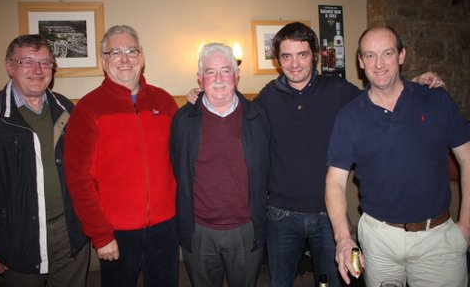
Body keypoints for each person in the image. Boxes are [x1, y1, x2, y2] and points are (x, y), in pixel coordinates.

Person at [186, 22, 444, 287]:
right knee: (280, 282)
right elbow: (229, 102)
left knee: (330, 281)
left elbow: (379, 96)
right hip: (279, 216)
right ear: (278, 61)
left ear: (315, 56)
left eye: (302, 54)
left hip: (327, 215)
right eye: (286, 56)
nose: (294, 64)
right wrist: (201, 93)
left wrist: (412, 83)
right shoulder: (266, 98)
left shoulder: (340, 91)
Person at [325, 26, 470, 286]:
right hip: (378, 240)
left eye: (387, 53)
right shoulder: (349, 116)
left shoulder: (435, 100)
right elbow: (334, 181)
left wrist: (466, 225)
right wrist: (344, 238)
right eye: (370, 55)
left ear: (401, 55)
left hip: (437, 239)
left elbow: (467, 158)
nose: (379, 64)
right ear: (360, 62)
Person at [63, 25, 179, 287]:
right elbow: (79, 180)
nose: (125, 59)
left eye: (131, 51)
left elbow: (181, 161)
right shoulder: (88, 109)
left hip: (166, 229)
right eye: (115, 52)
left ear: (142, 57)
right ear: (104, 60)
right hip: (116, 233)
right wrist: (101, 235)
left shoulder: (165, 101)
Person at [0, 34, 89, 287]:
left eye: (45, 63)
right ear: (9, 66)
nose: (37, 70)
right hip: (17, 236)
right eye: (27, 62)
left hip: (69, 231)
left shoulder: (66, 109)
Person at [170, 42, 270, 287]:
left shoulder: (257, 116)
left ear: (236, 75)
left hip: (246, 229)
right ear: (199, 77)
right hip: (199, 230)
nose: (218, 78)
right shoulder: (183, 120)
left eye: (225, 70)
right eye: (210, 71)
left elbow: (266, 169)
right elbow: (177, 167)